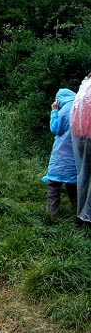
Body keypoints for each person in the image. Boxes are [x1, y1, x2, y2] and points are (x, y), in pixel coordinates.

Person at [41, 88, 77, 215]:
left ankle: (52, 214)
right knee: (73, 186)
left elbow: (55, 128)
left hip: (61, 154)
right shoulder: (80, 107)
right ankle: (80, 213)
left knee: (54, 186)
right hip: (75, 156)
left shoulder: (64, 110)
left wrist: (54, 111)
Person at [71, 72, 91, 225]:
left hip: (79, 136)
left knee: (83, 175)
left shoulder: (84, 87)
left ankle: (81, 214)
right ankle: (88, 215)